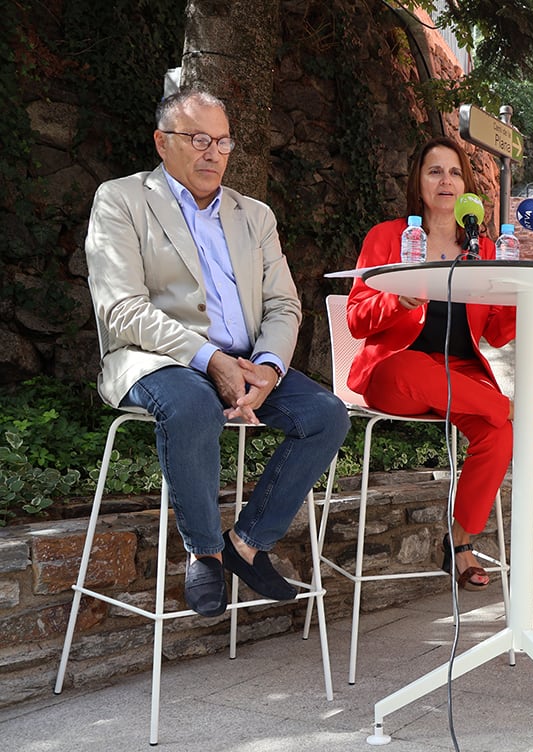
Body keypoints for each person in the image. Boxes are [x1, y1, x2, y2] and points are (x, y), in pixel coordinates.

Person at [85, 90, 351, 617]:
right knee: (192, 405)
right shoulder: (121, 199)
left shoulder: (254, 215)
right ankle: (204, 551)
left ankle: (246, 545)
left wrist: (270, 368)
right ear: (162, 143)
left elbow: (283, 303)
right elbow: (121, 307)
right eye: (198, 139)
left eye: (223, 141)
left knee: (326, 414)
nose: (212, 153)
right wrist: (209, 359)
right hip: (157, 358)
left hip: (248, 359)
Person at [346, 136, 533, 591]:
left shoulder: (483, 248)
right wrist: (395, 301)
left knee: (498, 431)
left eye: (455, 172)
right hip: (395, 371)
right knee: (408, 371)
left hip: (458, 375)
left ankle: (459, 542)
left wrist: (518, 296)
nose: (446, 181)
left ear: (467, 187)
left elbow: (495, 332)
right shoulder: (387, 237)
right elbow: (357, 319)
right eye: (435, 171)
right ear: (418, 182)